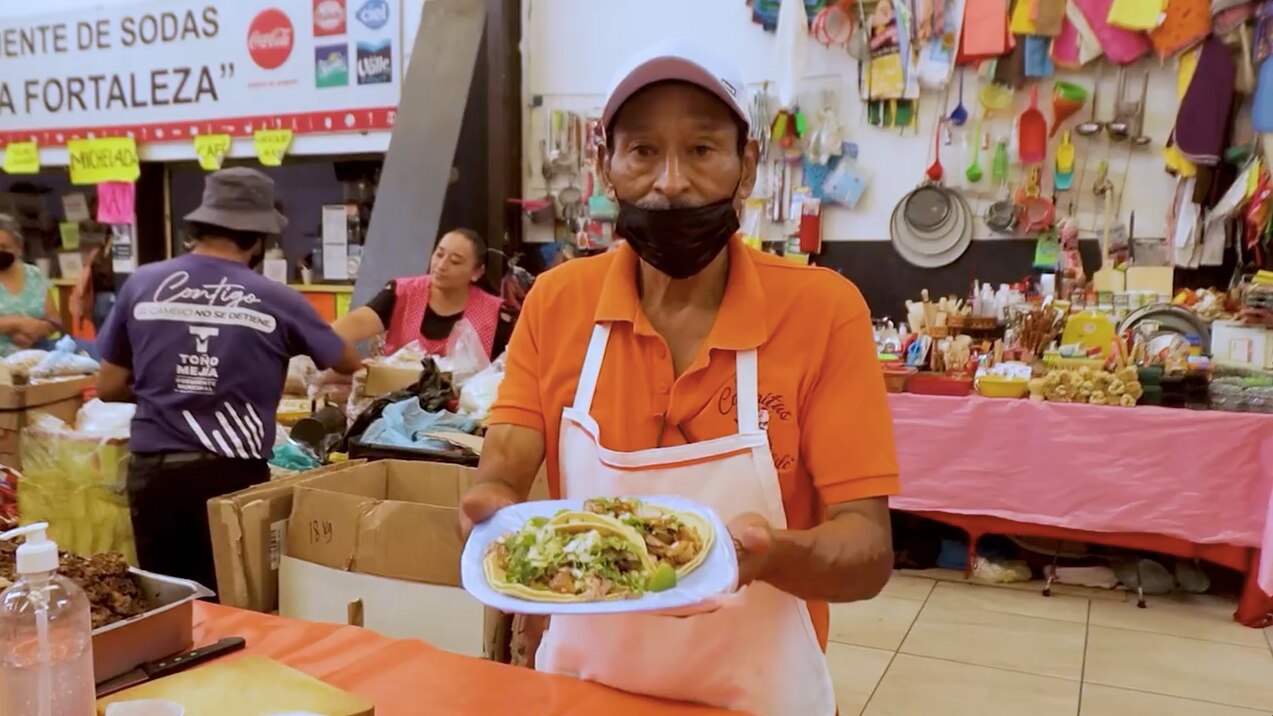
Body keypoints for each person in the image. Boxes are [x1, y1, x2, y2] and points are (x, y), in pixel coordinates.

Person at [456, 42, 898, 716]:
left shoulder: (823, 312)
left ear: (746, 166)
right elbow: (504, 468)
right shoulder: (556, 302)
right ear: (605, 166)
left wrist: (768, 553)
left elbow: (867, 553)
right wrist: (488, 513)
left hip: (758, 696)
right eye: (641, 151)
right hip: (583, 689)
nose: (669, 182)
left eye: (700, 149)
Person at [95, 168, 362, 592]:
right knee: (229, 603)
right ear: (258, 239)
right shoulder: (276, 298)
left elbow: (107, 387)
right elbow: (345, 361)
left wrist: (171, 384)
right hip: (228, 476)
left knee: (172, 604)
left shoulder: (142, 283)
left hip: (153, 474)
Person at [333, 228, 503, 359]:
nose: (441, 265)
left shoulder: (496, 313)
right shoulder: (402, 293)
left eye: (455, 261)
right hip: (398, 401)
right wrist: (355, 368)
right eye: (439, 254)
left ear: (477, 272)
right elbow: (342, 330)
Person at [0, 215, 58, 357]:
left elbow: (54, 321)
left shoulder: (34, 274)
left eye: (4, 247)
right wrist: (17, 324)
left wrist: (38, 331)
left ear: (19, 248)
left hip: (34, 357)